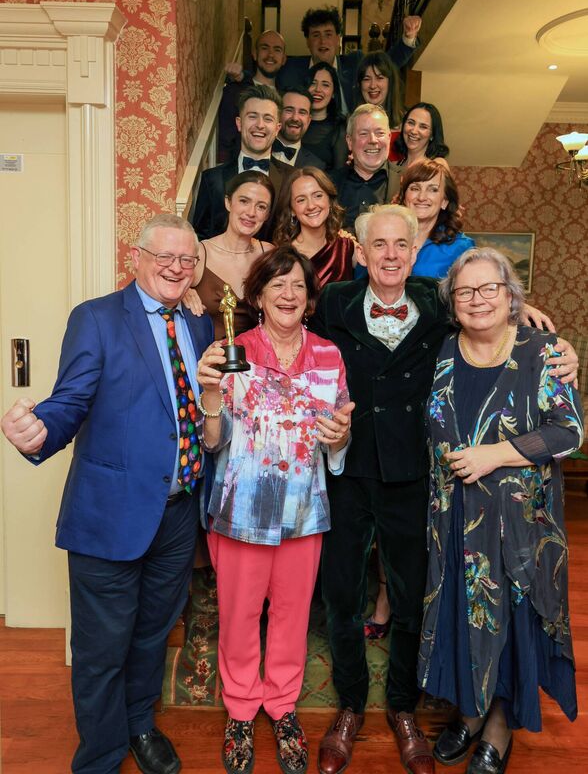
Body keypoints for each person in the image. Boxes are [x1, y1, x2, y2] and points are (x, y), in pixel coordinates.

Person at [308, 204, 579, 774]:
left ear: (414, 251)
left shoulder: (440, 300)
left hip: (415, 477)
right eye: (376, 245)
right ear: (359, 253)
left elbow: (494, 307)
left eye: (399, 245)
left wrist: (543, 329)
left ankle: (404, 706)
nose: (388, 255)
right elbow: (295, 355)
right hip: (351, 470)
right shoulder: (331, 303)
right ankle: (351, 706)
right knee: (342, 594)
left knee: (413, 597)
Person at [0, 215, 214, 774]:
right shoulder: (96, 318)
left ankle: (139, 726)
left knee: (149, 636)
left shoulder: (199, 325)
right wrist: (40, 430)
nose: (175, 267)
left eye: (186, 259)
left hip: (178, 513)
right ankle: (98, 755)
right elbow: (71, 399)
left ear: (196, 268)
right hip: (109, 514)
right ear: (136, 257)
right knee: (101, 650)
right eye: (164, 256)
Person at [419, 247, 583, 774]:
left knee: (509, 623)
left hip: (519, 528)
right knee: (464, 619)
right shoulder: (446, 349)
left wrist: (495, 455)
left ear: (512, 296)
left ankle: (498, 725)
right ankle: (469, 713)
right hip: (454, 518)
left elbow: (570, 431)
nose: (477, 300)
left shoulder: (543, 351)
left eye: (490, 288)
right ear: (453, 302)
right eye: (465, 291)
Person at [196, 245, 355, 774]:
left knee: (291, 618)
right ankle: (240, 709)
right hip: (241, 510)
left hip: (303, 513)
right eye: (277, 285)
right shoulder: (231, 351)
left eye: (299, 286)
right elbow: (213, 443)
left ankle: (283, 705)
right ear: (258, 296)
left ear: (310, 299)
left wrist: (341, 435)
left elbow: (336, 441)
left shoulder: (330, 356)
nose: (289, 294)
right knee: (239, 616)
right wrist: (212, 397)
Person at [363, 159, 475, 638]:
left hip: (429, 395)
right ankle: (385, 597)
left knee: (417, 528)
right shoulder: (369, 258)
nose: (424, 195)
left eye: (434, 189)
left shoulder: (459, 252)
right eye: (415, 188)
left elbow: (480, 299)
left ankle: (408, 608)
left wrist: (521, 306)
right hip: (372, 422)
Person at [191, 84, 290, 242]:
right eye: (252, 116)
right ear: (239, 123)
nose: (260, 124)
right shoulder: (212, 179)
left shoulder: (292, 178)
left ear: (277, 128)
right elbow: (199, 238)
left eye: (268, 118)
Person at [277, 6, 421, 115]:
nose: (322, 41)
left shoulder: (354, 62)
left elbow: (387, 64)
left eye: (328, 34)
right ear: (307, 41)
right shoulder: (291, 68)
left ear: (338, 39)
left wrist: (408, 38)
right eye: (316, 35)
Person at [187, 170, 275, 340]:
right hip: (209, 359)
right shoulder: (199, 252)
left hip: (258, 362)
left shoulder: (269, 254)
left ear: (267, 215)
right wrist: (182, 293)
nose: (251, 212)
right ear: (228, 202)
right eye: (244, 201)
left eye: (261, 206)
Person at [273, 166, 356, 287]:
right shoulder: (282, 257)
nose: (311, 206)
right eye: (301, 200)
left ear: (329, 200)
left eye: (318, 196)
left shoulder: (347, 248)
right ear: (292, 210)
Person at [218, 30, 288, 163]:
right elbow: (224, 141)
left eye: (277, 50)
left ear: (284, 59)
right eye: (264, 48)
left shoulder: (287, 97)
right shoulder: (234, 92)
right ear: (255, 54)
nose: (271, 55)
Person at [329, 104, 396, 232]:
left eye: (379, 133)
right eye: (363, 134)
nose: (372, 140)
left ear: (389, 138)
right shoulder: (328, 184)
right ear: (349, 142)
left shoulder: (406, 182)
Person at [354, 51, 404, 161]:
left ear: (390, 82)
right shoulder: (349, 124)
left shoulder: (407, 123)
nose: (372, 85)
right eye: (366, 79)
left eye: (379, 78)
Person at [301, 62, 348, 171]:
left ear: (333, 93)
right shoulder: (294, 121)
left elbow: (339, 175)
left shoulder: (340, 129)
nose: (318, 89)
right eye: (313, 83)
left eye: (325, 85)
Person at [272, 85, 326, 170]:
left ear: (309, 120)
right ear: (278, 114)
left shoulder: (317, 166)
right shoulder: (257, 148)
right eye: (289, 110)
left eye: (302, 112)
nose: (295, 118)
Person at [392, 101, 450, 175]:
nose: (414, 131)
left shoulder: (437, 165)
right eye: (411, 123)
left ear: (432, 135)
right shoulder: (394, 166)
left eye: (423, 127)